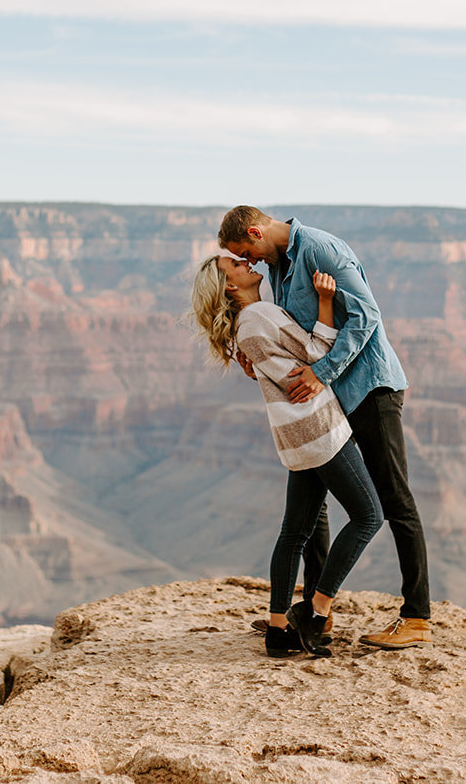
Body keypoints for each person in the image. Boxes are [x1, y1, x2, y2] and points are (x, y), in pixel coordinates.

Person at [219, 207, 432, 649]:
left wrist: (324, 373)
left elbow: (366, 317)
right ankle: (318, 618)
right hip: (329, 401)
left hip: (368, 389)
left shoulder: (320, 249)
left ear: (256, 232)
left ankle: (417, 617)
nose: (251, 262)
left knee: (394, 499)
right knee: (315, 507)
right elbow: (294, 337)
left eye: (246, 252)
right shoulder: (279, 266)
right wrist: (258, 361)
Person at [191, 253, 382, 658]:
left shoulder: (246, 325)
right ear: (230, 286)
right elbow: (317, 353)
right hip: (319, 429)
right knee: (369, 516)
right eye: (236, 266)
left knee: (294, 533)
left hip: (293, 438)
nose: (246, 264)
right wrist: (326, 301)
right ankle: (316, 611)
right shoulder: (260, 315)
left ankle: (278, 629)